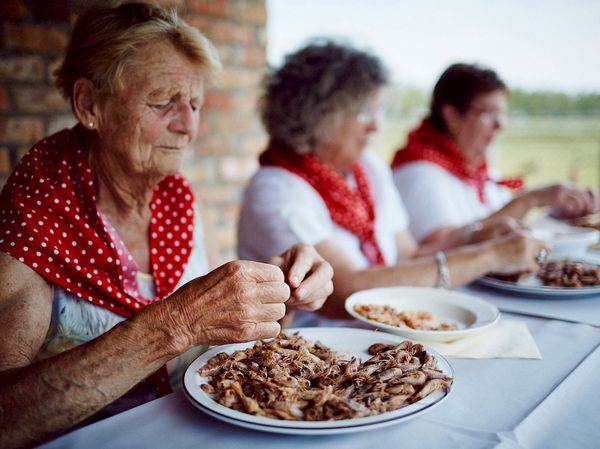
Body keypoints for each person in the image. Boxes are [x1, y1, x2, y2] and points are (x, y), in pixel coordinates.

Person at [0, 4, 333, 448]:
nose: (188, 125)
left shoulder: (179, 201)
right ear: (90, 104)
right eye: (162, 102)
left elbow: (215, 350)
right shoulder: (36, 216)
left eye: (194, 104)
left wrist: (280, 295)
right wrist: (177, 322)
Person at [237, 41, 546, 319]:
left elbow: (408, 256)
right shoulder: (275, 188)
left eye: (377, 110)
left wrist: (479, 235)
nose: (375, 126)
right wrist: (489, 256)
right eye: (362, 112)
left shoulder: (366, 168)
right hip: (319, 357)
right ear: (315, 118)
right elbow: (346, 293)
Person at [391, 63, 599, 249]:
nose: (500, 125)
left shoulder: (478, 170)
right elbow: (439, 246)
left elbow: (507, 227)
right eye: (489, 113)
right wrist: (531, 199)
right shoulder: (419, 172)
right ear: (452, 116)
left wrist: (562, 213)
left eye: (502, 114)